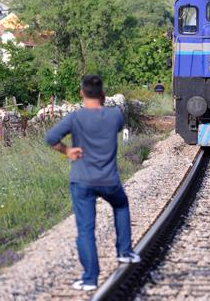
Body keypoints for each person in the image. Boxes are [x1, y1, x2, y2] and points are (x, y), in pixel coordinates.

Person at [45, 75, 140, 292]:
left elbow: (51, 138)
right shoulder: (116, 115)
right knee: (121, 205)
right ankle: (124, 252)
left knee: (86, 230)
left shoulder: (75, 117)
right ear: (103, 95)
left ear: (81, 93)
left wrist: (67, 150)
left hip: (82, 180)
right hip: (109, 180)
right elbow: (111, 125)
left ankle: (90, 279)